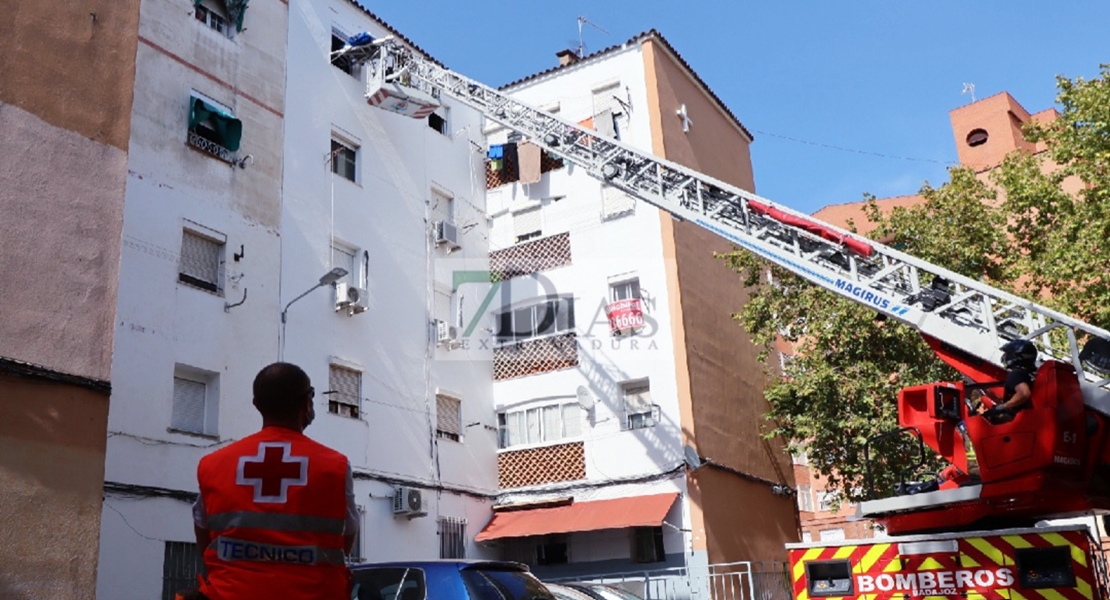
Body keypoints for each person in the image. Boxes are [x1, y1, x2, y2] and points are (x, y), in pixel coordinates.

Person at [191, 362, 357, 600]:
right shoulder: (335, 466)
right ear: (306, 403)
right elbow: (345, 539)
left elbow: (204, 534)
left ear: (256, 405)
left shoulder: (214, 464)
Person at [981, 339, 1038, 423]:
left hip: (1018, 423)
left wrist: (1002, 407)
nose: (1005, 356)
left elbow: (1024, 393)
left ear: (1016, 356)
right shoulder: (1033, 375)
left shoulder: (1016, 374)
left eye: (1008, 353)